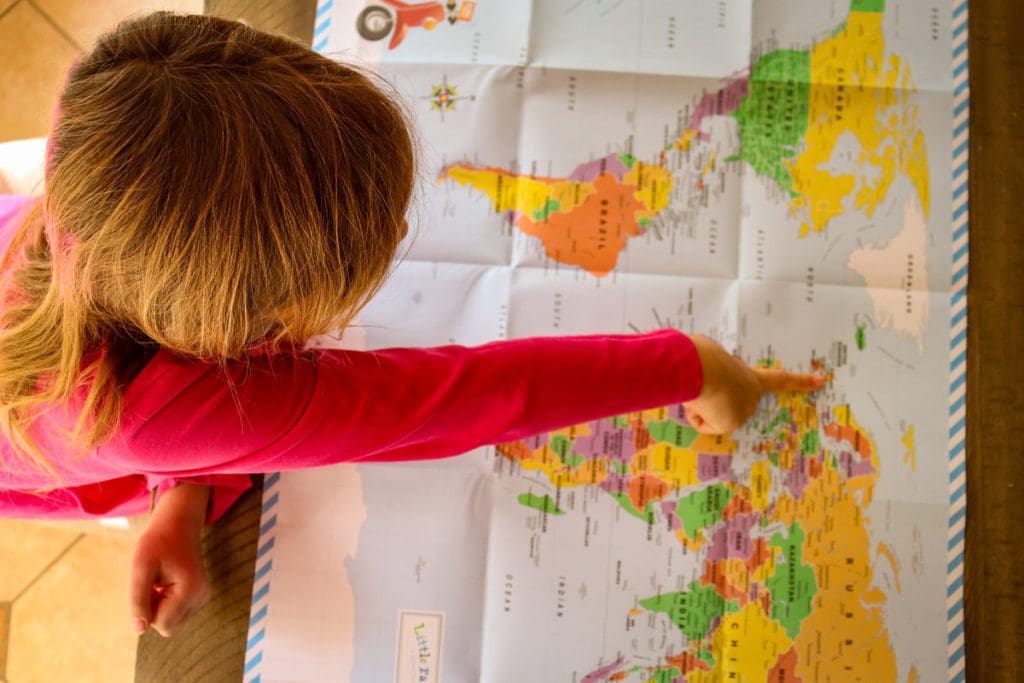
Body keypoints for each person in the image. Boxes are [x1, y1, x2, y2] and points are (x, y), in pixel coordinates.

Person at [0, 12, 823, 640]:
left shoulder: (99, 131)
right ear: (238, 325)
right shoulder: (166, 406)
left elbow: (144, 364)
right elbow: (458, 399)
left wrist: (180, 485)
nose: (398, 239)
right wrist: (692, 363)